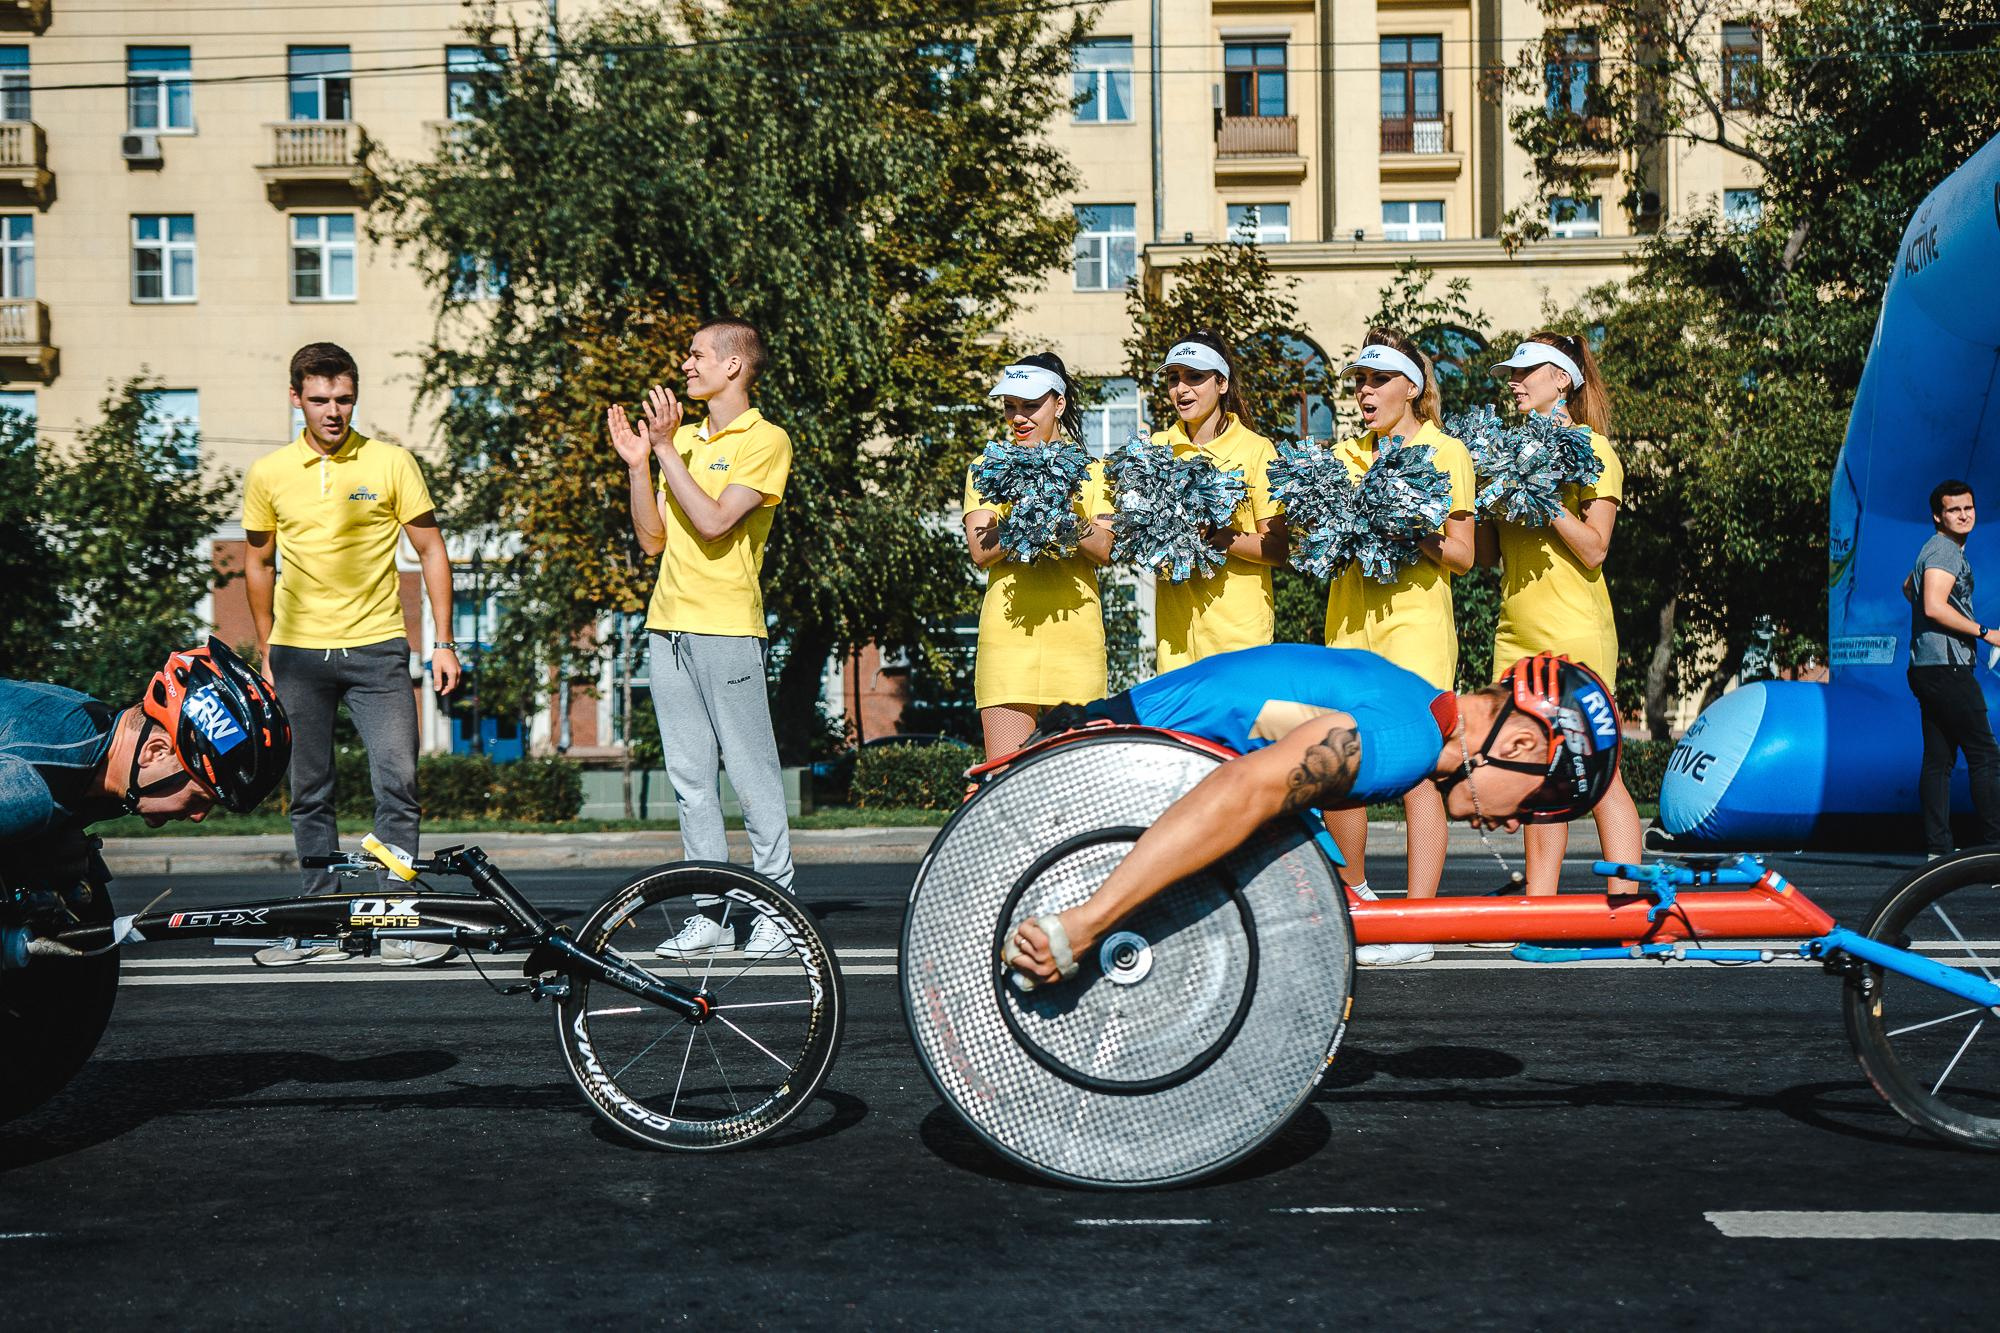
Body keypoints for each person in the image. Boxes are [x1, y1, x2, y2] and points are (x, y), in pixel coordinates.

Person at [1004, 646, 1621, 987]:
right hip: (1102, 759)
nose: (1517, 824)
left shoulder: (1416, 698)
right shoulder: (1407, 743)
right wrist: (1085, 925)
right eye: (1538, 802)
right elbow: (1248, 787)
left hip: (1117, 739)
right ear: (1519, 748)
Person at [243, 342, 461, 967]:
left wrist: (442, 642)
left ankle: (397, 916)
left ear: (355, 397)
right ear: (296, 399)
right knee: (309, 789)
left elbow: (433, 551)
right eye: (319, 400)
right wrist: (266, 647)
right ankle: (319, 919)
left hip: (378, 650)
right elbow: (256, 564)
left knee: (399, 782)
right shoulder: (269, 473)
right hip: (298, 656)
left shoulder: (392, 463)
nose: (332, 412)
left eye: (342, 399)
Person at [607, 317, 797, 960]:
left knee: (751, 775)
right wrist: (640, 465)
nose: (685, 366)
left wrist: (662, 451)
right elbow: (653, 539)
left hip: (728, 628)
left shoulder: (766, 439)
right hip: (669, 627)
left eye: (696, 356)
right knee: (690, 781)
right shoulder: (680, 439)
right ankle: (710, 914)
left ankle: (777, 911)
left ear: (733, 367)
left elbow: (715, 523)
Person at [1319, 329, 1475, 965]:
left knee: (1416, 773)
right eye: (1359, 380)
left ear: (1413, 387)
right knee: (1337, 767)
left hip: (1414, 630)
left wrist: (1413, 525)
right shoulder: (1343, 454)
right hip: (1347, 628)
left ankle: (1419, 925)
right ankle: (1358, 900)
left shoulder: (1447, 452)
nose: (1364, 391)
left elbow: (1462, 555)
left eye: (1378, 380)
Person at [1483, 334, 1644, 899]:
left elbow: (1595, 548)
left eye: (1526, 371)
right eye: (1512, 371)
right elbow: (1488, 556)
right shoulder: (1507, 452)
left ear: (1562, 379)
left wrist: (1543, 497)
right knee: (1534, 769)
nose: (1514, 380)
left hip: (1576, 629)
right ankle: (1540, 902)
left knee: (1599, 771)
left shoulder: (1593, 449)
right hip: (1516, 630)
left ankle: (1628, 903)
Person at [0, 638, 291, 876]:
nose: (199, 817)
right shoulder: (33, 788)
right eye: (200, 797)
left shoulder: (96, 734)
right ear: (156, 751)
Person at [963, 354, 1116, 757]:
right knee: (1005, 781)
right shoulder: (985, 467)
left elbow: (1104, 548)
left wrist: (1061, 514)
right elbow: (981, 550)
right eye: (1010, 406)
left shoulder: (1093, 471)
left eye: (1030, 406)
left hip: (1077, 645)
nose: (1019, 417)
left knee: (1076, 784)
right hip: (1008, 645)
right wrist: (1030, 514)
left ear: (1059, 404)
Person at [1148, 333, 1286, 672]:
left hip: (1240, 641)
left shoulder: (1256, 449)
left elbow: (1279, 548)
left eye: (1195, 377)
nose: (1181, 389)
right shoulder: (1155, 447)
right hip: (1175, 642)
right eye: (1173, 379)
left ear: (1221, 383)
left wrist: (1219, 536)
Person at [1902, 479, 2000, 855]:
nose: (1963, 515)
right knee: (1985, 754)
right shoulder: (1945, 551)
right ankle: (1994, 850)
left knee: (1939, 760)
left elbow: (1909, 587)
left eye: (1968, 508)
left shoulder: (1936, 550)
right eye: (1954, 510)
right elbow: (1931, 605)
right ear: (1938, 516)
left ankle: (1937, 851)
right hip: (1946, 668)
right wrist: (1985, 632)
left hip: (1928, 666)